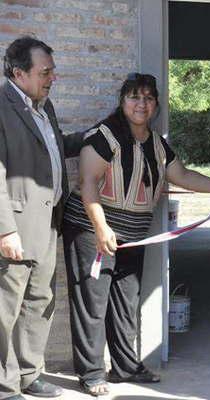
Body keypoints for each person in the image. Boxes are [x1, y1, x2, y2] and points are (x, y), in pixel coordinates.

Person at [61, 73, 210, 396]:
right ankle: (91, 374)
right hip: (92, 230)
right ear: (122, 102)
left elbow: (183, 174)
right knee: (92, 302)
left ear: (156, 104)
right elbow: (88, 182)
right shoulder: (103, 136)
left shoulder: (157, 143)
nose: (141, 104)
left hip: (132, 236)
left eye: (148, 98)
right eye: (134, 97)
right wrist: (101, 227)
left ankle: (124, 367)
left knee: (125, 301)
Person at [0, 37, 68, 399]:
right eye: (45, 72)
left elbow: (52, 149)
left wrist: (98, 136)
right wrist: (4, 230)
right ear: (18, 73)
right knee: (4, 310)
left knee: (39, 302)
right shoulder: (1, 107)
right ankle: (4, 384)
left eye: (52, 71)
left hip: (47, 224)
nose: (52, 77)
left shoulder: (45, 106)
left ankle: (28, 374)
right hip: (15, 228)